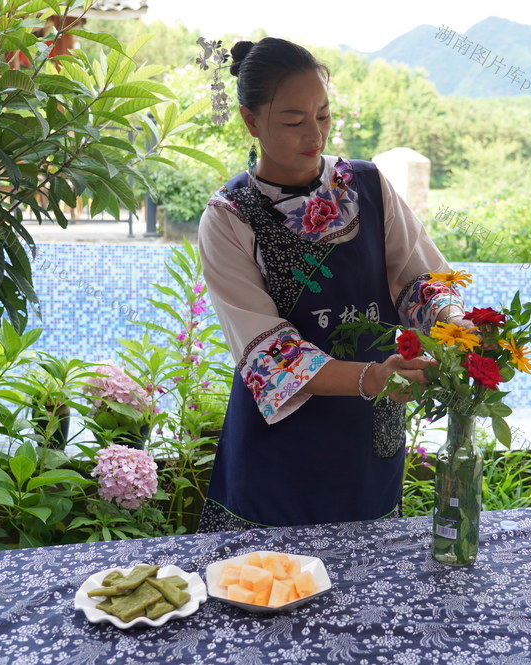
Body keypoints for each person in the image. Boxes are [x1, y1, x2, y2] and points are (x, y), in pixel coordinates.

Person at [195, 37, 469, 532]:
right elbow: (271, 355)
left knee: (375, 587)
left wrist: (460, 328)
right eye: (294, 121)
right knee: (269, 590)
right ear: (250, 121)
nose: (314, 134)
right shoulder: (229, 218)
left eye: (323, 115)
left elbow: (419, 281)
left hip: (368, 438)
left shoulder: (368, 186)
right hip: (278, 449)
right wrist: (376, 378)